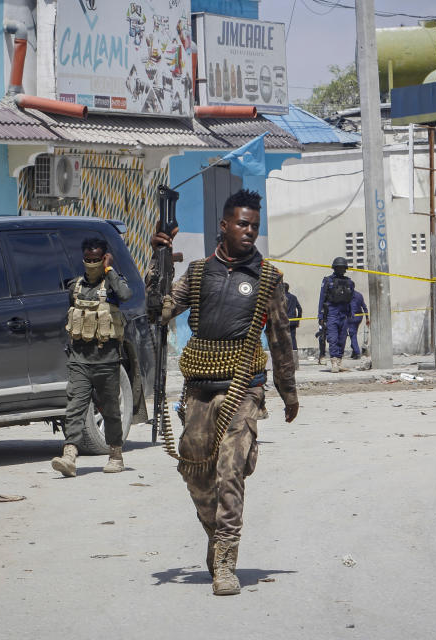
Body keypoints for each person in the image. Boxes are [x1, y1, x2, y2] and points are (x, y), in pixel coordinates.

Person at [151, 189, 298, 596]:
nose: (249, 231)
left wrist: (289, 391)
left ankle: (226, 563)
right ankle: (216, 539)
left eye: (254, 225)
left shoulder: (267, 279)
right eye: (242, 224)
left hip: (243, 390)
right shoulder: (198, 273)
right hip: (198, 389)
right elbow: (158, 310)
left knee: (230, 471)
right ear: (224, 225)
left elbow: (280, 337)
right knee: (196, 474)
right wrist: (158, 260)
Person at [51, 236, 133, 477]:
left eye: (97, 259)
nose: (92, 263)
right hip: (79, 360)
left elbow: (126, 295)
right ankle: (69, 455)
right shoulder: (75, 286)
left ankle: (116, 453)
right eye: (88, 259)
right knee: (74, 407)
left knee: (110, 410)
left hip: (106, 361)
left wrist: (109, 269)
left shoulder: (113, 285)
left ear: (105, 257)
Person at [318, 257, 355, 373]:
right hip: (332, 313)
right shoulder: (328, 281)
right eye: (338, 267)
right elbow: (322, 299)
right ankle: (334, 362)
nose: (341, 269)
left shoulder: (349, 282)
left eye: (342, 267)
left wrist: (351, 314)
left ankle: (339, 361)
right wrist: (320, 316)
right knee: (332, 338)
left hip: (344, 314)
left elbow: (351, 300)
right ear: (334, 268)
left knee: (342, 338)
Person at [348, 289, 369, 359]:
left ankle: (357, 352)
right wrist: (367, 318)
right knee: (353, 333)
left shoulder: (347, 295)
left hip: (352, 317)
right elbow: (364, 307)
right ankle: (354, 351)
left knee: (352, 334)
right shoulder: (359, 295)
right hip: (359, 316)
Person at [283, 282, 302, 350]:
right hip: (293, 321)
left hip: (283, 321)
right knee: (293, 338)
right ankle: (295, 353)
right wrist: (298, 320)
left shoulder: (280, 298)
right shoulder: (293, 297)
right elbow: (300, 309)